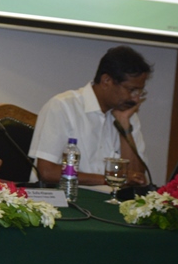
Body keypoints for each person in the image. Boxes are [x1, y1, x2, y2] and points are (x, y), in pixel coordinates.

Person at [28, 45, 151, 186]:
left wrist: (124, 126)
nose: (135, 99)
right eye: (131, 90)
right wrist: (108, 179)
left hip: (108, 198)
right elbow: (47, 172)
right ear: (106, 81)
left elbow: (137, 178)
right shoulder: (63, 106)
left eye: (139, 92)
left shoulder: (127, 115)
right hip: (64, 196)